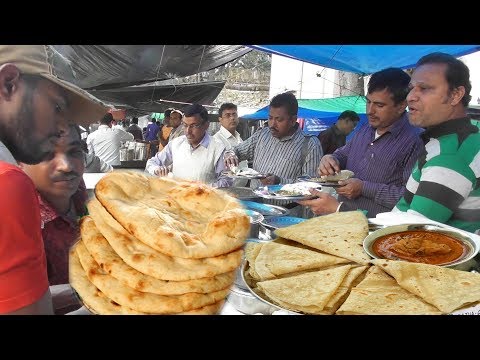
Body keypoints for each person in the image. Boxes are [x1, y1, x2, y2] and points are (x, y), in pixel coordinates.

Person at [0, 45, 107, 314]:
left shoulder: (84, 197)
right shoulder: (9, 185)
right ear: (9, 83)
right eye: (56, 106)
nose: (61, 125)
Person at [299, 68, 424, 218]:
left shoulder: (415, 140)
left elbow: (411, 198)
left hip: (376, 233)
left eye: (379, 105)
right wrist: (331, 159)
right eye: (368, 101)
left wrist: (364, 188)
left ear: (401, 105)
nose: (370, 111)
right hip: (340, 221)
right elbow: (344, 153)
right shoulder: (365, 129)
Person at [393, 52, 480, 233]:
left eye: (424, 88)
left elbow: (410, 236)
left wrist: (339, 210)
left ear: (456, 95)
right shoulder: (457, 136)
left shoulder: (451, 156)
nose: (410, 97)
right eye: (411, 88)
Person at [18, 124, 88, 314]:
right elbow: (14, 299)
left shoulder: (80, 192)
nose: (67, 166)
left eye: (75, 151)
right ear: (20, 163)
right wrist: (89, 290)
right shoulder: (15, 219)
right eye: (47, 154)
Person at [224, 92, 322, 215]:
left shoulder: (310, 144)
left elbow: (310, 187)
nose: (272, 124)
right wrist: (230, 154)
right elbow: (237, 150)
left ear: (293, 119)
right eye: (270, 118)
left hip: (288, 213)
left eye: (278, 120)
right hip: (256, 209)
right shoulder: (262, 135)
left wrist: (279, 181)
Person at [145, 103, 231, 188]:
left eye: (194, 126)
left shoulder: (218, 148)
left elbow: (226, 181)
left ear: (206, 125)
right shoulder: (176, 144)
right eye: (185, 125)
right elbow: (152, 163)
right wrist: (156, 169)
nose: (188, 131)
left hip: (204, 199)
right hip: (177, 198)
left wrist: (201, 190)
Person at [213, 102, 248, 186]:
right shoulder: (216, 140)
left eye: (234, 114)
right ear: (220, 120)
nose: (232, 118)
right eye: (228, 115)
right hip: (226, 190)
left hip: (240, 189)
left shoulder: (238, 137)